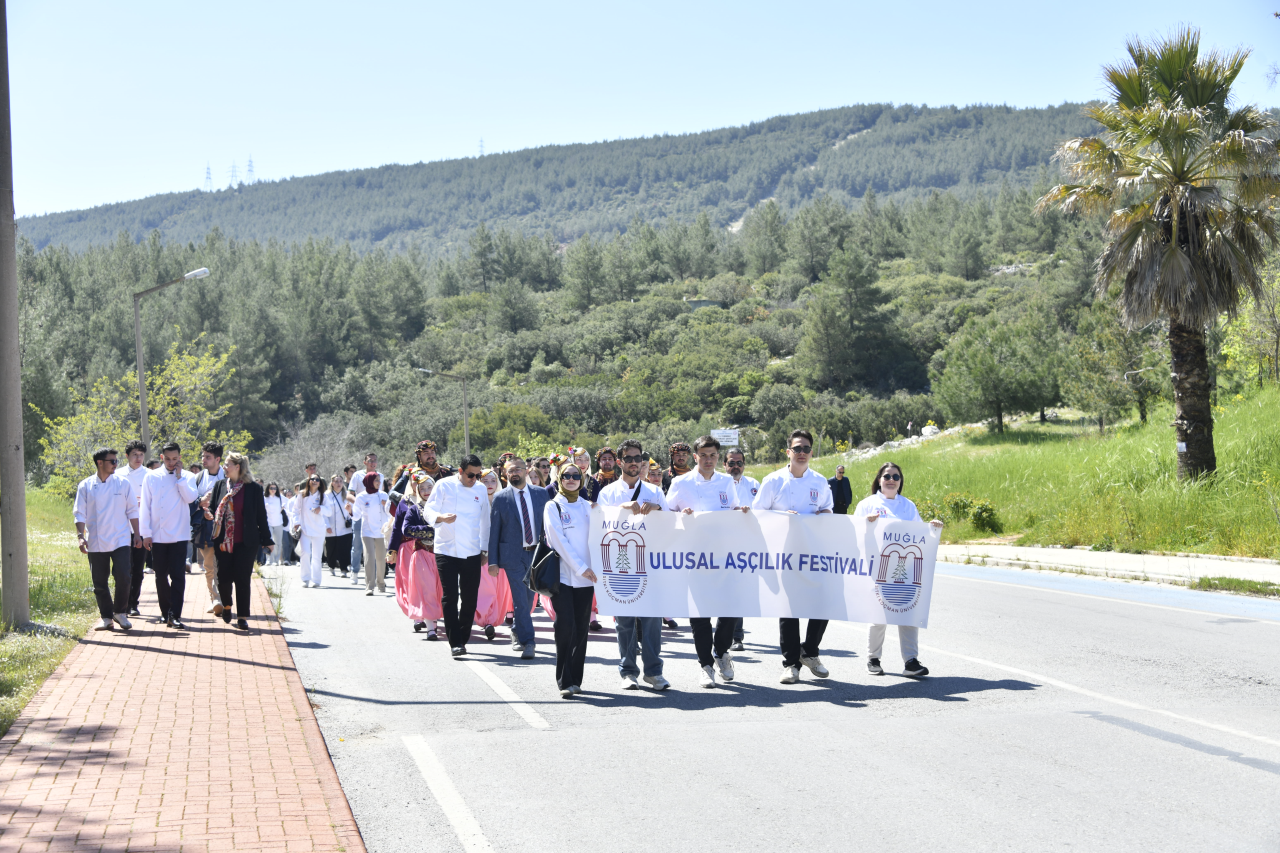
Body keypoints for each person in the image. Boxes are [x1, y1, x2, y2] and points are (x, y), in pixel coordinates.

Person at [752, 429, 834, 684]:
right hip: (783, 555)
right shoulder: (773, 480)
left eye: (806, 449)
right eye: (797, 448)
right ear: (788, 452)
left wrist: (824, 516)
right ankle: (790, 664)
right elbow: (758, 514)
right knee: (789, 610)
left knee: (822, 603)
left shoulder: (820, 481)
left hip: (813, 553)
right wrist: (781, 517)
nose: (802, 453)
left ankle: (809, 651)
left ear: (812, 452)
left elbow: (828, 510)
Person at [667, 435, 749, 687]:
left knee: (730, 609)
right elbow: (666, 515)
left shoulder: (726, 482)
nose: (709, 460)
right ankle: (705, 665)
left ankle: (722, 652)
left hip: (725, 556)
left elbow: (732, 509)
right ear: (695, 457)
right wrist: (681, 515)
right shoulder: (681, 482)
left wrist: (740, 512)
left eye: (713, 455)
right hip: (694, 557)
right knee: (699, 615)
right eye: (704, 455)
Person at [858, 461, 942, 679]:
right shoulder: (867, 504)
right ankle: (873, 658)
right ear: (879, 480)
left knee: (908, 611)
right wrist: (865, 523)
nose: (892, 480)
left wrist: (932, 528)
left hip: (903, 568)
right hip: (877, 568)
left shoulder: (907, 506)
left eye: (896, 477)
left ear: (901, 481)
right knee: (879, 616)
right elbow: (853, 531)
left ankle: (911, 662)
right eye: (887, 476)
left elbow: (919, 533)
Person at [597, 439, 670, 690]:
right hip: (621, 564)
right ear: (620, 462)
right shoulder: (608, 493)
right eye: (628, 459)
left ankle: (653, 672)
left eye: (638, 458)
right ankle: (628, 672)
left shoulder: (654, 490)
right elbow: (601, 525)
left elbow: (672, 523)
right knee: (625, 621)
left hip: (650, 563)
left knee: (651, 620)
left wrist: (659, 508)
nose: (634, 463)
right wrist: (621, 508)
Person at [423, 454, 490, 657]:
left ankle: (463, 636)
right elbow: (429, 509)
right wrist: (440, 517)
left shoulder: (480, 489)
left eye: (478, 476)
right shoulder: (444, 485)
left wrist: (485, 549)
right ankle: (455, 642)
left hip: (471, 550)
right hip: (447, 549)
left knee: (470, 599)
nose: (475, 480)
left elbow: (485, 521)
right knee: (450, 596)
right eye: (471, 475)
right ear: (460, 471)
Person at [544, 460, 598, 698]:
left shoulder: (590, 507)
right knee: (565, 627)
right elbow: (559, 542)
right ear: (559, 479)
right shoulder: (552, 507)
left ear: (582, 479)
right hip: (564, 577)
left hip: (588, 580)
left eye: (576, 475)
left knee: (581, 630)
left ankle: (577, 678)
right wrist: (580, 567)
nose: (572, 479)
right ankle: (564, 679)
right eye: (567, 475)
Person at [487, 456, 547, 660]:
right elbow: (494, 531)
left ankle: (516, 629)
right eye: (510, 470)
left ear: (526, 470)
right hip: (512, 556)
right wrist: (493, 561)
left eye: (518, 469)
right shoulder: (500, 497)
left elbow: (548, 526)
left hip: (537, 553)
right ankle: (529, 641)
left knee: (530, 600)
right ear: (505, 473)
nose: (514, 473)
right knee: (521, 598)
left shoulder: (541, 494)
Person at [205, 452, 272, 631]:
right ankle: (227, 606)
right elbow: (212, 507)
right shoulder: (220, 485)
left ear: (238, 467)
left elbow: (261, 516)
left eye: (227, 464)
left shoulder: (253, 489)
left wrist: (267, 539)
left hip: (246, 542)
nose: (224, 467)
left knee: (242, 579)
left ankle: (242, 616)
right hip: (223, 541)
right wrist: (209, 513)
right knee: (223, 578)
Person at [74, 447, 139, 631]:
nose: (115, 464)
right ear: (99, 462)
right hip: (96, 540)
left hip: (120, 539)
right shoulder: (85, 485)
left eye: (116, 461)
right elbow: (79, 513)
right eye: (112, 461)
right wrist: (81, 536)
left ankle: (120, 612)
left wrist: (138, 535)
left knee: (124, 577)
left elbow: (132, 510)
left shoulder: (123, 483)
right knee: (99, 582)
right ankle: (106, 617)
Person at [139, 442, 199, 629]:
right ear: (162, 457)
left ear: (180, 458)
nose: (171, 462)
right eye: (168, 459)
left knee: (178, 575)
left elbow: (190, 498)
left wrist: (179, 477)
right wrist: (146, 534)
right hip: (157, 535)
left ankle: (175, 614)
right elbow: (145, 507)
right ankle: (165, 612)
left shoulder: (188, 476)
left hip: (180, 534)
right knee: (160, 576)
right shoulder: (151, 476)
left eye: (175, 459)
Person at [390, 473, 444, 636]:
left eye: (429, 487)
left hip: (443, 555)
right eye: (422, 488)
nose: (426, 491)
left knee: (439, 590)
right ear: (417, 490)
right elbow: (405, 529)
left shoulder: (443, 507)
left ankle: (433, 620)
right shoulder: (413, 508)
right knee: (427, 589)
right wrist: (430, 531)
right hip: (421, 554)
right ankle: (430, 628)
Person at [724, 447, 760, 651]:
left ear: (744, 465)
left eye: (739, 463)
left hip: (745, 546)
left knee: (737, 591)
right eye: (731, 463)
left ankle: (736, 636)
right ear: (725, 465)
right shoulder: (718, 483)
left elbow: (765, 510)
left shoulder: (755, 485)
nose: (735, 467)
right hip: (719, 544)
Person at [474, 469, 513, 639]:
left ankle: (494, 619)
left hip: (501, 551)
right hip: (481, 551)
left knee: (499, 588)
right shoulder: (474, 502)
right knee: (485, 587)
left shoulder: (503, 501)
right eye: (485, 481)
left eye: (492, 481)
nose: (489, 485)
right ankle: (486, 620)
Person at [193, 441, 227, 614]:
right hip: (204, 528)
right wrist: (201, 501)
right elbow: (191, 500)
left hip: (225, 529)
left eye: (208, 457)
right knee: (209, 566)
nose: (203, 459)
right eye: (203, 456)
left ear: (217, 459)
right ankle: (215, 599)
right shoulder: (198, 478)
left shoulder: (227, 477)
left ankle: (223, 597)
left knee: (225, 565)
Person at [118, 439, 149, 617]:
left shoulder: (150, 475)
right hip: (121, 528)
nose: (138, 458)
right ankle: (121, 603)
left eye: (141, 455)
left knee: (137, 568)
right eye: (134, 454)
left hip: (141, 529)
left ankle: (133, 603)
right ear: (127, 456)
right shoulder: (118, 474)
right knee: (122, 569)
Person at [351, 472, 390, 595]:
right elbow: (356, 516)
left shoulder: (384, 495)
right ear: (369, 481)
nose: (378, 482)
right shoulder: (361, 497)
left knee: (380, 559)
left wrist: (386, 506)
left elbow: (390, 514)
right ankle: (369, 586)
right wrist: (349, 511)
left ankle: (381, 583)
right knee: (369, 558)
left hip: (381, 531)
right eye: (376, 480)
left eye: (379, 480)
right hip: (367, 531)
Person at [350, 452, 382, 581]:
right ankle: (355, 572)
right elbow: (349, 494)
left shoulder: (380, 476)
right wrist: (359, 503)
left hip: (374, 515)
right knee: (357, 545)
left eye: (375, 460)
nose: (373, 463)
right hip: (360, 513)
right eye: (370, 460)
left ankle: (372, 576)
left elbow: (382, 495)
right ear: (365, 462)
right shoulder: (357, 475)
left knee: (373, 548)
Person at [298, 474, 331, 588]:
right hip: (305, 529)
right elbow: (295, 510)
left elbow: (329, 511)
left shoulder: (323, 496)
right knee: (305, 553)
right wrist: (296, 522)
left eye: (317, 479)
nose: (315, 481)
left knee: (317, 556)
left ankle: (316, 580)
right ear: (308, 481)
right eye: (312, 479)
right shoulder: (302, 494)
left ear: (320, 483)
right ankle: (305, 578)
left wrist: (320, 509)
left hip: (319, 530)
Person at [324, 475, 355, 578]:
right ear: (332, 483)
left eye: (341, 481)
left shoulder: (346, 495)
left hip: (345, 528)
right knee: (331, 548)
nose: (339, 483)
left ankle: (344, 569)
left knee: (344, 549)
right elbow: (324, 513)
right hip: (330, 528)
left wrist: (350, 511)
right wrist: (326, 525)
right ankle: (331, 567)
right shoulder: (326, 495)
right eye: (336, 481)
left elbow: (354, 511)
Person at [264, 483, 285, 565]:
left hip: (278, 523)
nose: (273, 489)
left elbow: (290, 503)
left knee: (278, 542)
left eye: (275, 488)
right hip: (268, 522)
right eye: (271, 488)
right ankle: (269, 560)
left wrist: (283, 507)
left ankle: (276, 560)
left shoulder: (280, 497)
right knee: (268, 541)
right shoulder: (264, 498)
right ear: (268, 489)